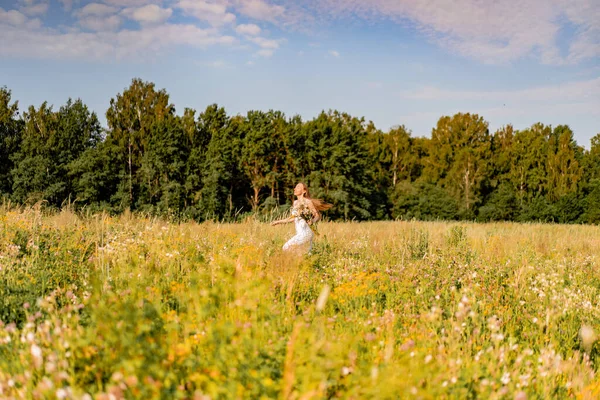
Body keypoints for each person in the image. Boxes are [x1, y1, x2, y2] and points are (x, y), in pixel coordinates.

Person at [271, 182, 332, 253]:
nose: (295, 189)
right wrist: (278, 222)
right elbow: (293, 218)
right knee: (301, 253)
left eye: (298, 187)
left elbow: (317, 215)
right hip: (299, 232)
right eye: (295, 187)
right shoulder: (295, 203)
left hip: (306, 231)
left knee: (286, 247)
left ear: (304, 191)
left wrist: (313, 221)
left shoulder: (308, 202)